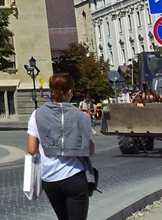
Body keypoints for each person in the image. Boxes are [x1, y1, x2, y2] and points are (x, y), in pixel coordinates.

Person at [27, 73, 95, 220]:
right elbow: (90, 151)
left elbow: (31, 149)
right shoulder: (81, 116)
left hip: (49, 179)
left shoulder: (36, 115)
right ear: (70, 92)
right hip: (74, 176)